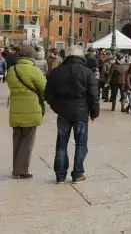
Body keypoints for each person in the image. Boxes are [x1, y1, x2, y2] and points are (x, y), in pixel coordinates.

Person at [44, 45, 100, 184]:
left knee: (61, 144)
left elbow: (48, 95)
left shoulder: (56, 72)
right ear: (81, 56)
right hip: (81, 113)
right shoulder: (87, 72)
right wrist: (94, 112)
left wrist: (57, 107)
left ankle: (60, 175)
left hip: (63, 113)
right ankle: (78, 173)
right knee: (81, 144)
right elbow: (94, 95)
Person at [6, 45, 46, 179]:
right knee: (27, 140)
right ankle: (21, 170)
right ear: (31, 56)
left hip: (16, 110)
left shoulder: (12, 69)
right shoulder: (34, 70)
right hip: (31, 109)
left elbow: (10, 85)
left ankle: (15, 168)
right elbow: (43, 87)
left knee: (17, 139)